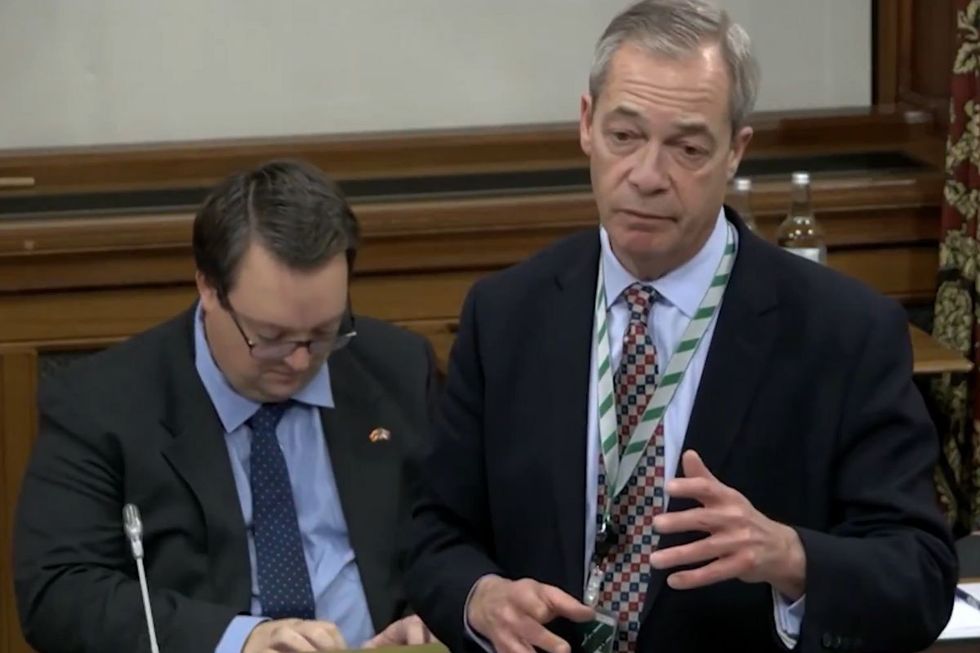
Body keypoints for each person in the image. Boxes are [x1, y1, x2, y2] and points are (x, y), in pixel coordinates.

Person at [404, 2, 958, 652]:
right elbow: (434, 532)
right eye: (624, 136)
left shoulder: (843, 332)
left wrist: (791, 555)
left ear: (735, 151)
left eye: (687, 148)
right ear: (586, 124)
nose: (646, 175)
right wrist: (481, 598)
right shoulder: (506, 315)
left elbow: (920, 575)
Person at [14, 160, 440, 653]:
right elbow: (59, 595)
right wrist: (238, 640)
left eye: (325, 333)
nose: (301, 360)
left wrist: (438, 610)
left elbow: (459, 531)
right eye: (271, 337)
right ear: (208, 288)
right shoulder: (101, 405)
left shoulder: (398, 369)